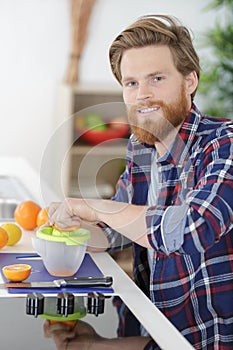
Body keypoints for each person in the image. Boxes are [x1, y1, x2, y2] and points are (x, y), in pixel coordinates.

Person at [44, 14, 233, 350]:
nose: (142, 94)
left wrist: (92, 206)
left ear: (190, 81)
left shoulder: (224, 144)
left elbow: (188, 231)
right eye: (131, 83)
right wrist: (71, 226)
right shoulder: (142, 147)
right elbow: (114, 234)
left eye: (156, 78)